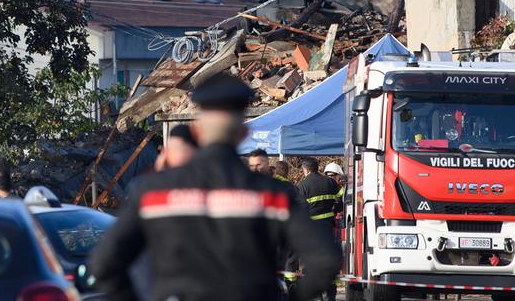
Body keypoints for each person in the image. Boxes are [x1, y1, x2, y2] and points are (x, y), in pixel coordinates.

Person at [90, 73, 340, 301]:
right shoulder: (273, 196)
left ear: (197, 131)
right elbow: (325, 260)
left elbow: (104, 265)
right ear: (243, 133)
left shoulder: (154, 193)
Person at [296, 158, 341, 301]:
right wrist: (333, 211)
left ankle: (317, 296)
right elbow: (340, 201)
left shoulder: (302, 185)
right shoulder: (331, 182)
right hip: (328, 228)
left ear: (306, 170)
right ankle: (331, 296)